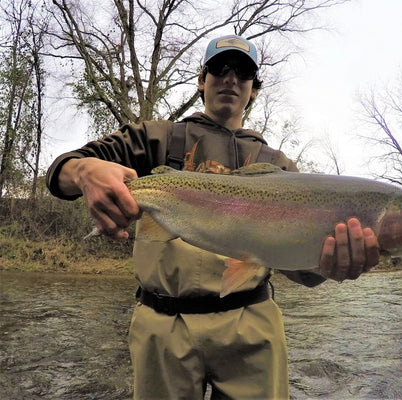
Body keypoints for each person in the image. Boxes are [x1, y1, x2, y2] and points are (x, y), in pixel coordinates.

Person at [46, 34, 380, 400]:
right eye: (219, 68)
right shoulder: (156, 138)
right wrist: (84, 171)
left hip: (252, 324)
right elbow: (62, 170)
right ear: (201, 80)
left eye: (243, 72)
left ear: (254, 89)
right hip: (162, 325)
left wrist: (330, 265)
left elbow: (301, 271)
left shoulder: (280, 168)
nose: (230, 78)